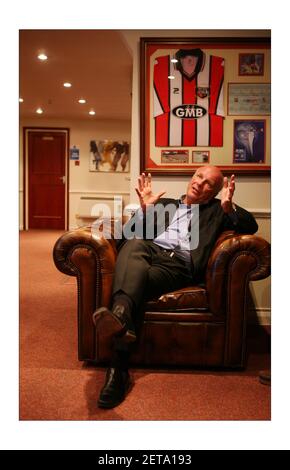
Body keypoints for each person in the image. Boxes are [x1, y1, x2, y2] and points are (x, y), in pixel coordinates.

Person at [93, 165, 258, 408]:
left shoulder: (217, 210)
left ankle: (118, 365)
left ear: (214, 192)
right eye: (199, 176)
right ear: (192, 177)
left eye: (209, 184)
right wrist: (144, 211)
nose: (200, 183)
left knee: (131, 284)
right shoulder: (163, 204)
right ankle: (121, 320)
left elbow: (250, 225)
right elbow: (125, 241)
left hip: (178, 266)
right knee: (137, 245)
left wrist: (228, 207)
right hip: (148, 254)